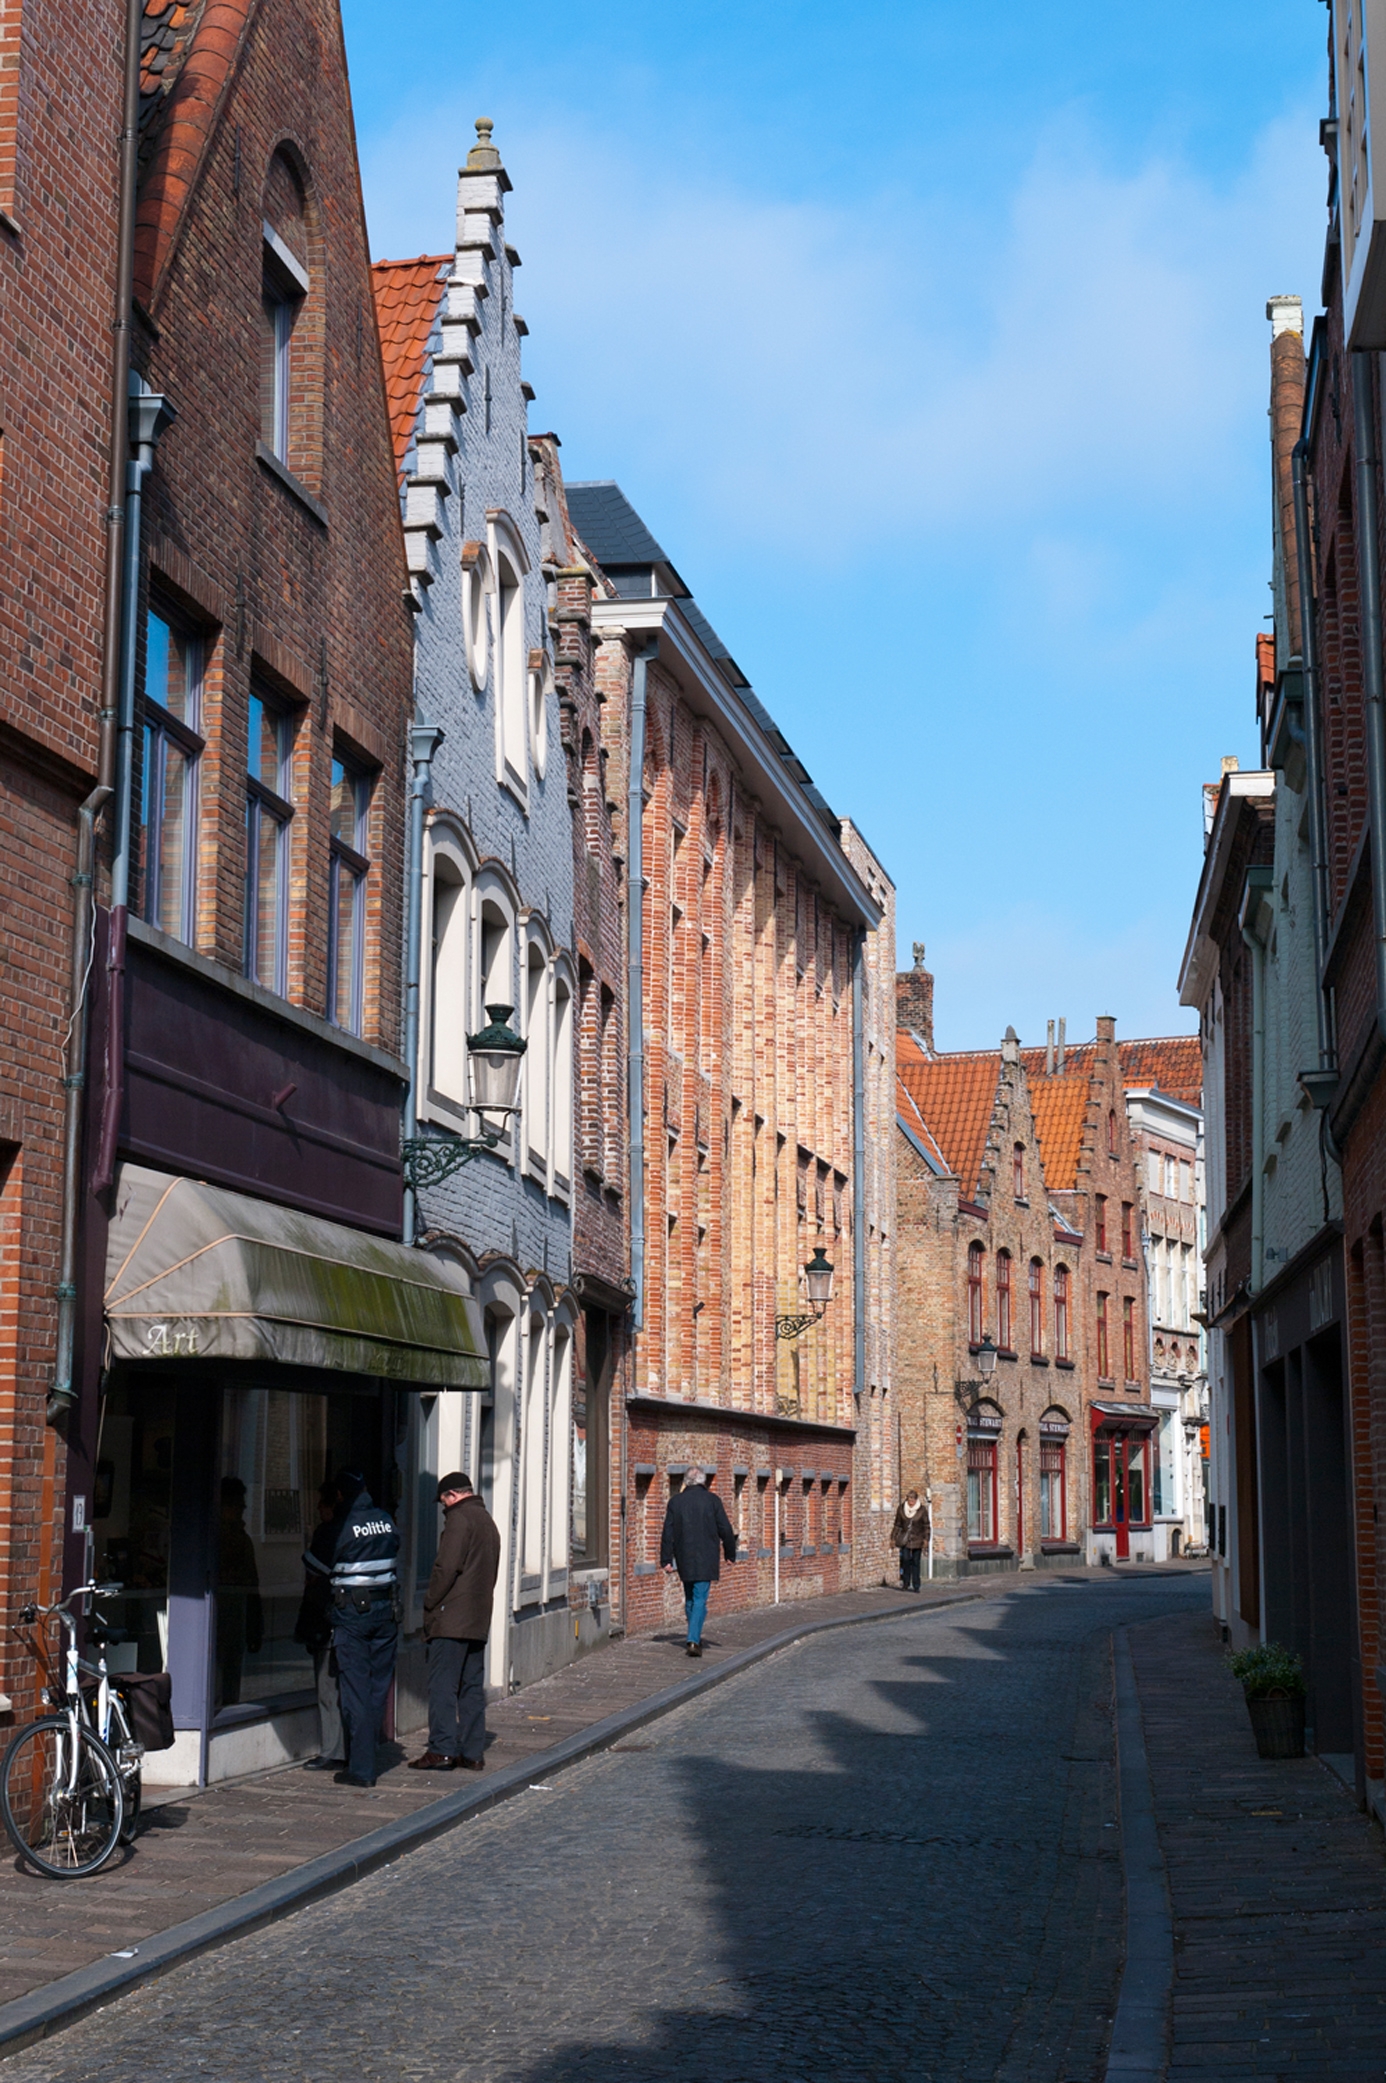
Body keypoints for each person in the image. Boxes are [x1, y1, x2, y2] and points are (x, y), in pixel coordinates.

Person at [303, 1469, 399, 1788]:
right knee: (376, 1691)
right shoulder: (386, 1520)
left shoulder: (340, 1526)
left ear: (341, 1496)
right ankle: (366, 1756)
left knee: (355, 1692)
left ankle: (361, 1769)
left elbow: (315, 1566)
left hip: (353, 1617)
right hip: (386, 1613)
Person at [410, 1472, 501, 1773]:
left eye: (443, 1502)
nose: (443, 1508)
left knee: (442, 1685)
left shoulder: (460, 1520)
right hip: (478, 1618)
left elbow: (445, 1567)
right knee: (471, 1688)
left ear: (451, 1495)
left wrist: (430, 1601)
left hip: (452, 1618)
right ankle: (473, 1753)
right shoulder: (488, 1522)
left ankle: (442, 1749)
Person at [660, 1466, 737, 1658]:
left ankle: (694, 1632)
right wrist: (730, 1553)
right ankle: (693, 1640)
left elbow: (667, 1533)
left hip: (684, 1556)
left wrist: (666, 1559)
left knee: (691, 1598)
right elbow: (726, 1529)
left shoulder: (676, 1502)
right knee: (700, 1598)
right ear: (703, 1481)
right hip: (707, 1556)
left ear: (686, 1481)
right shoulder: (712, 1501)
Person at [294, 1482, 344, 1771]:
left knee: (328, 1688)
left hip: (327, 1618)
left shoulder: (329, 1534)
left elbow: (314, 1574)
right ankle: (341, 1747)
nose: (317, 1511)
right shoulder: (352, 1531)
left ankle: (332, 1750)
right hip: (348, 1618)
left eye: (320, 1505)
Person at [215, 1475, 263, 1708]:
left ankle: (228, 1706)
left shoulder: (241, 1539)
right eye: (237, 1506)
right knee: (219, 1665)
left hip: (236, 1615)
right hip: (221, 1614)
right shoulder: (219, 1538)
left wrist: (255, 1624)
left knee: (231, 1666)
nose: (242, 1511)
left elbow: (252, 1584)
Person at [891, 1488, 930, 1592]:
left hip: (918, 1538)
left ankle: (916, 1585)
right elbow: (897, 1524)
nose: (911, 1502)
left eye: (912, 1500)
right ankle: (906, 1582)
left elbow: (926, 1525)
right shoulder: (901, 1509)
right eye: (909, 1500)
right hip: (905, 1539)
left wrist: (926, 1539)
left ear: (916, 1500)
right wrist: (893, 1537)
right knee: (906, 1560)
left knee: (916, 1562)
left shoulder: (921, 1510)